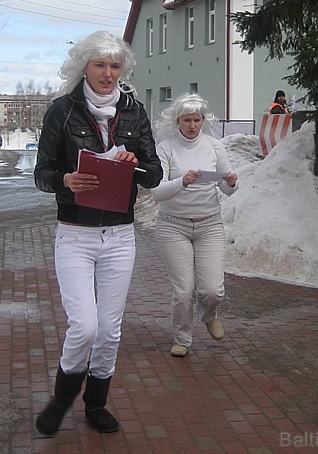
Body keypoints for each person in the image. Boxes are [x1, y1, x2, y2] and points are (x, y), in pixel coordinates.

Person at [33, 30, 163, 435]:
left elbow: (155, 174)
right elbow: (41, 174)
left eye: (114, 65)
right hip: (75, 234)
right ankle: (62, 398)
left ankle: (96, 404)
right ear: (84, 67)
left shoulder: (135, 111)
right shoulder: (62, 111)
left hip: (120, 236)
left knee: (108, 329)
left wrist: (133, 162)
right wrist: (66, 181)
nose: (108, 73)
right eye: (99, 64)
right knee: (84, 326)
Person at [150, 93, 238, 358]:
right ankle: (182, 338)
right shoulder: (165, 147)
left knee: (212, 290)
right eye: (187, 120)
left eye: (197, 120)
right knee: (184, 290)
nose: (192, 125)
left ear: (203, 120)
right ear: (177, 120)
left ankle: (209, 315)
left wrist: (231, 182)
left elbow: (227, 187)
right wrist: (182, 182)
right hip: (172, 226)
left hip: (209, 224)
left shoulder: (214, 146)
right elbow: (157, 192)